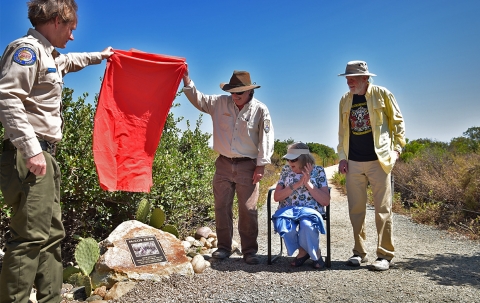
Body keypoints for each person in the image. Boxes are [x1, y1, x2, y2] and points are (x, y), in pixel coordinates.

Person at [0, 0, 113, 301]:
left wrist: (100, 57)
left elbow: (70, 61)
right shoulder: (26, 50)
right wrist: (31, 149)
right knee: (29, 239)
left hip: (44, 156)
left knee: (51, 237)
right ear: (54, 20)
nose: (73, 36)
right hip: (30, 156)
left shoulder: (49, 55)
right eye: (71, 28)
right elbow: (8, 97)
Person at [182, 69, 274, 265]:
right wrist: (187, 80)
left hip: (247, 165)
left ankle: (250, 251)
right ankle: (224, 247)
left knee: (248, 209)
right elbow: (199, 99)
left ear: (249, 91)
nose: (235, 96)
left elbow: (266, 138)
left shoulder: (260, 110)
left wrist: (261, 165)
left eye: (239, 92)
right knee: (221, 207)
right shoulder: (219, 103)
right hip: (223, 163)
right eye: (232, 92)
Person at [337, 60, 405, 271]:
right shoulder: (345, 100)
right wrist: (342, 157)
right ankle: (359, 252)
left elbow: (398, 123)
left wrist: (396, 151)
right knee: (356, 210)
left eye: (353, 78)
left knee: (382, 210)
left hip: (379, 161)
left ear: (365, 78)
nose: (349, 82)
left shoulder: (383, 94)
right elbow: (342, 130)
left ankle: (384, 255)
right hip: (354, 162)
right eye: (347, 78)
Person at [272, 143, 330, 269]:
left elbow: (325, 201)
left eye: (293, 159)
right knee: (285, 226)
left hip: (310, 210)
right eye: (288, 159)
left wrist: (308, 183)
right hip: (288, 210)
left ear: (304, 158)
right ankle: (304, 251)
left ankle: (315, 254)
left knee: (307, 225)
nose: (289, 162)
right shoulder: (286, 171)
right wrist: (297, 184)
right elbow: (277, 197)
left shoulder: (318, 171)